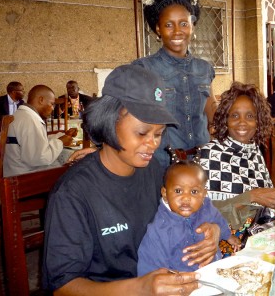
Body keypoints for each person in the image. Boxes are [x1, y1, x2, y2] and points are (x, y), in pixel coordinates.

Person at [42, 65, 221, 295]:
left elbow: (186, 209)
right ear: (109, 121)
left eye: (158, 134)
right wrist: (140, 288)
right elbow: (62, 286)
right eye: (142, 133)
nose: (153, 144)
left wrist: (214, 230)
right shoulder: (73, 193)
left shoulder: (153, 170)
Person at [132, 0, 218, 177]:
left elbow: (212, 110)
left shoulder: (204, 69)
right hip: (162, 165)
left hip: (201, 163)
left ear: (193, 27)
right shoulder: (144, 68)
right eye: (168, 25)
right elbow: (127, 117)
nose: (177, 31)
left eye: (184, 23)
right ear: (158, 29)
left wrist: (246, 118)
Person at [200, 82, 275, 248]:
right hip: (224, 244)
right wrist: (251, 197)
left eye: (250, 116)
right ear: (225, 120)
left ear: (258, 122)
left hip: (257, 236)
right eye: (234, 116)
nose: (242, 122)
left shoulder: (254, 151)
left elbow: (264, 202)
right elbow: (202, 214)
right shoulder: (211, 155)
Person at [137, 160, 240, 275]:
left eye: (194, 191)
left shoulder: (206, 207)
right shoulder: (159, 230)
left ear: (204, 193)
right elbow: (150, 267)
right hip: (185, 281)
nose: (186, 198)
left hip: (215, 268)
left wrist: (228, 236)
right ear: (165, 193)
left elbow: (218, 219)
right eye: (178, 191)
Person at [4, 85, 76, 177]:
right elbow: (41, 158)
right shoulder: (30, 120)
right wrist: (61, 142)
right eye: (51, 104)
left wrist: (62, 136)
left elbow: (36, 142)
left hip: (15, 171)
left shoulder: (21, 115)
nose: (53, 108)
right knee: (72, 169)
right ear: (41, 100)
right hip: (23, 177)